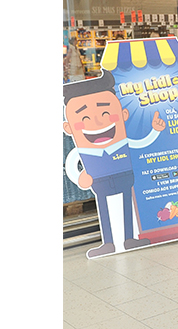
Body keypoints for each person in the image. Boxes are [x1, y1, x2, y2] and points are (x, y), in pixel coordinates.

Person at [63, 71, 165, 258]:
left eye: (105, 113)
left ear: (123, 114)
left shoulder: (123, 141)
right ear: (68, 127)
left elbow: (141, 143)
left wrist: (155, 131)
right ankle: (108, 243)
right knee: (104, 208)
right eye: (84, 119)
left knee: (127, 205)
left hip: (124, 175)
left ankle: (129, 239)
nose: (97, 121)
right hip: (99, 180)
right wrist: (80, 177)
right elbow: (71, 164)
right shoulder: (83, 150)